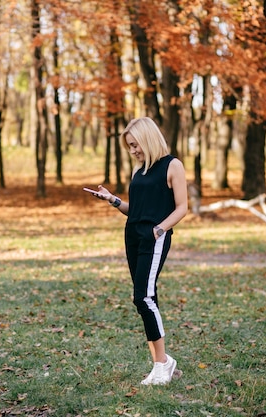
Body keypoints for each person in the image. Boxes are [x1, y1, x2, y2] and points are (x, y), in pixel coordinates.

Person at [87, 117, 188, 385]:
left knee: (143, 297)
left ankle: (161, 364)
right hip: (132, 236)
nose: (133, 151)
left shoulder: (172, 165)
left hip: (154, 238)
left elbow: (182, 207)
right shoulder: (138, 171)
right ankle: (161, 363)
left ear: (148, 138)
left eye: (135, 145)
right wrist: (114, 200)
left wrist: (159, 230)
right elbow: (137, 211)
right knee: (144, 297)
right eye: (130, 147)